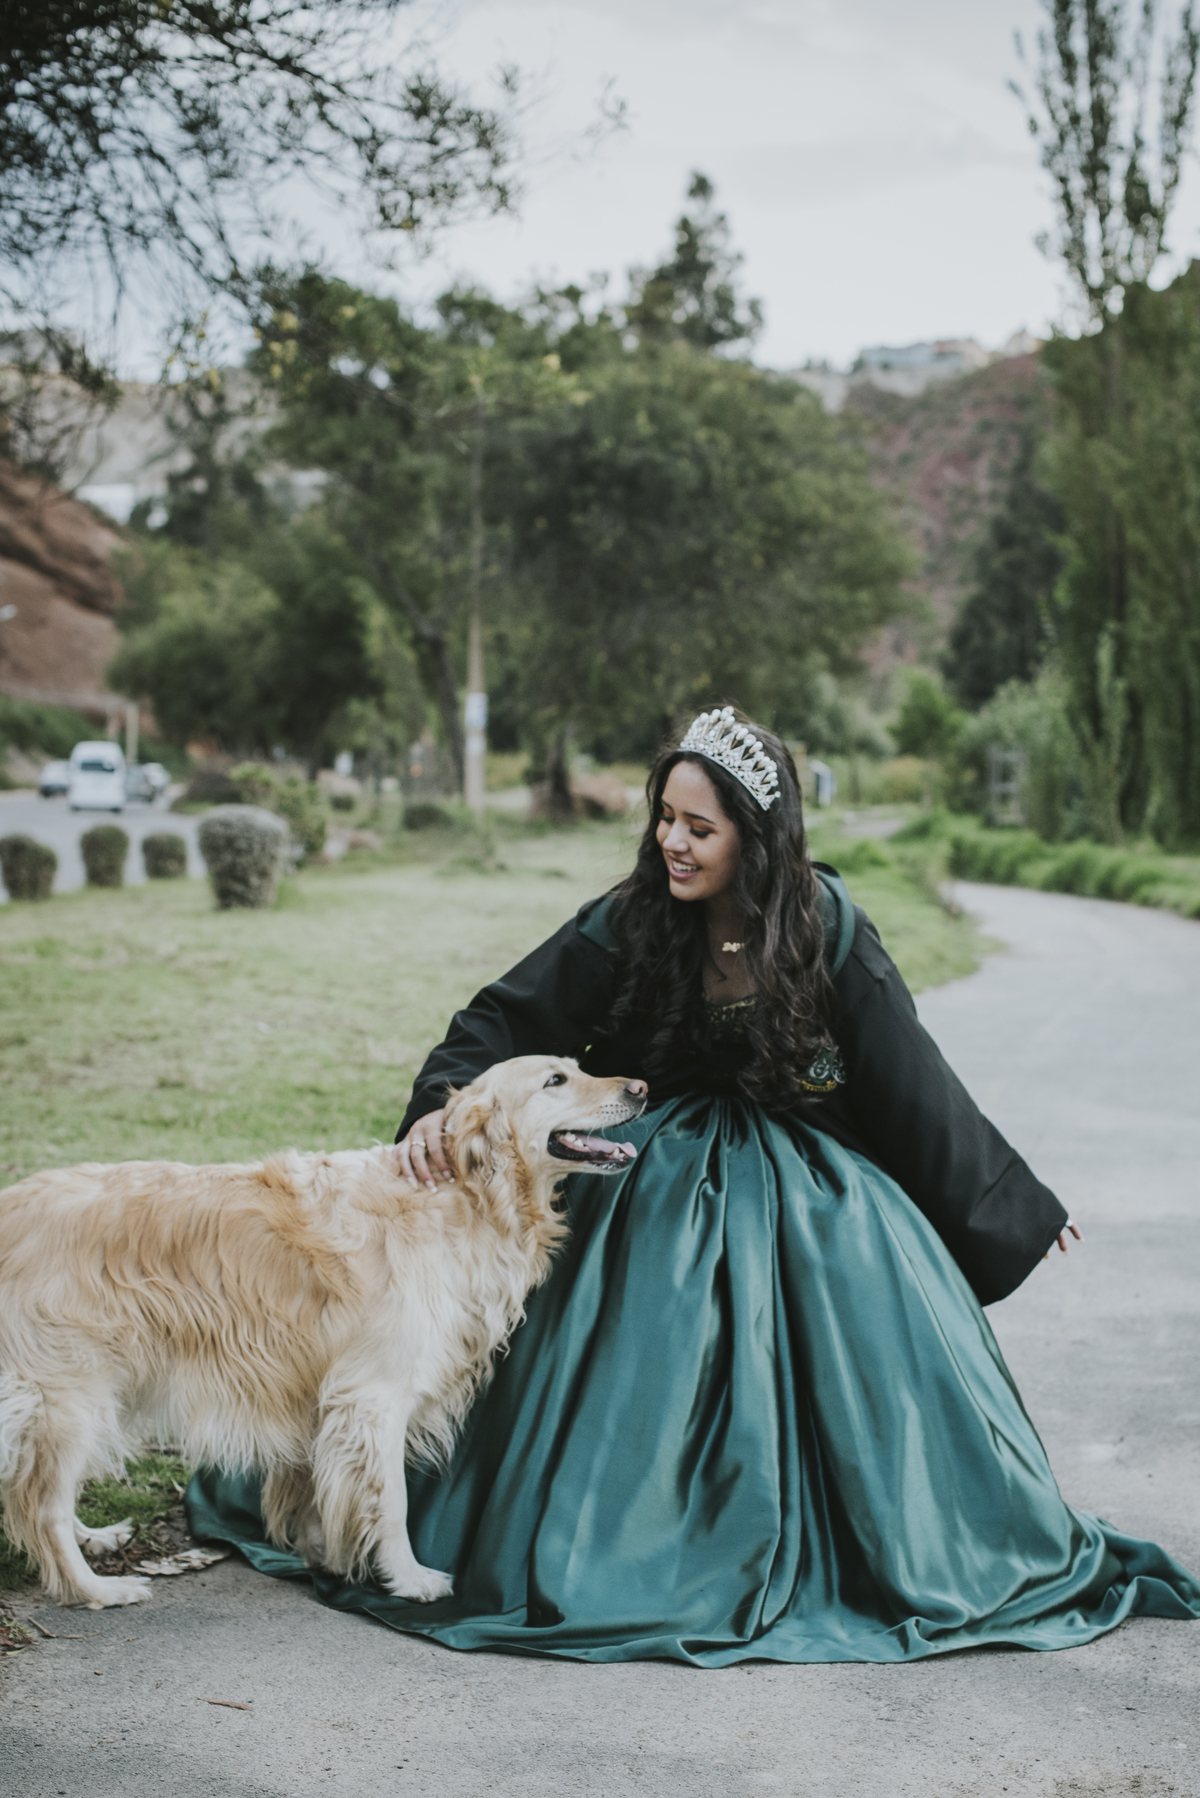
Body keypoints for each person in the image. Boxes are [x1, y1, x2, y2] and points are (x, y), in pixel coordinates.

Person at [189, 707, 1200, 1663]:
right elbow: (504, 1015)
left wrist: (1009, 1201)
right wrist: (437, 1109)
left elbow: (912, 1083)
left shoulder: (825, 925)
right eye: (665, 818)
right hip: (646, 1169)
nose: (672, 842)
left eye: (699, 828)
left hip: (805, 1191)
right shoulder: (628, 920)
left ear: (755, 839)